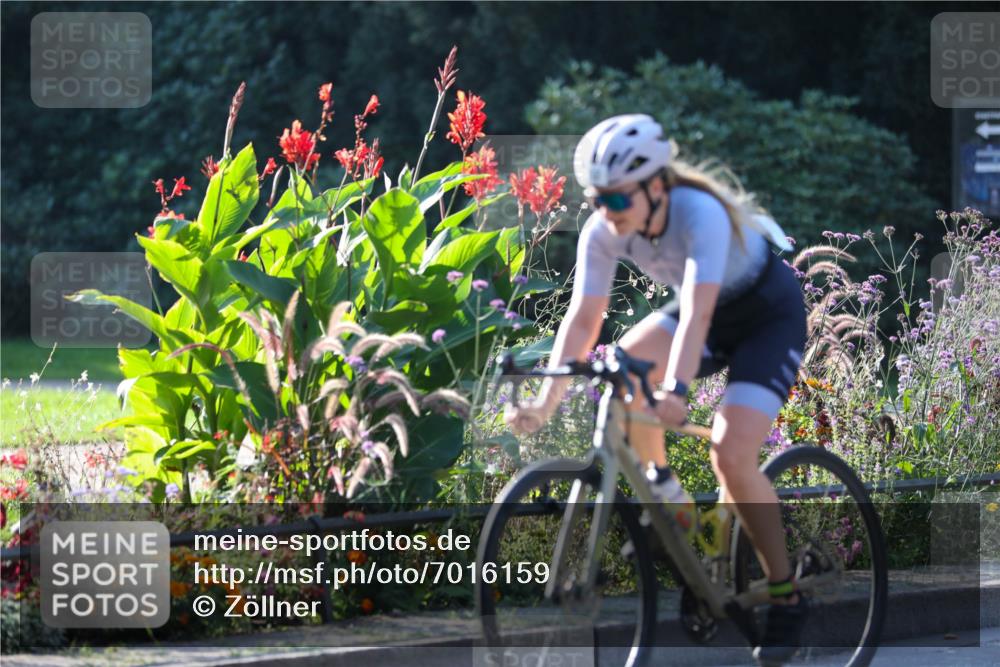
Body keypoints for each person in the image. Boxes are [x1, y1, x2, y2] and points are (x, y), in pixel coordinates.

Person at [504, 114, 809, 664]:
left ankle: (785, 592)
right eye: (598, 201)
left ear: (655, 185)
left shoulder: (701, 214)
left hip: (765, 318)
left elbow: (696, 313)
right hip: (708, 316)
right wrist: (546, 400)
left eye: (617, 201)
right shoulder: (604, 228)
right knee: (621, 367)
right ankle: (666, 493)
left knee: (731, 455)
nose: (606, 214)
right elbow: (583, 318)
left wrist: (676, 389)